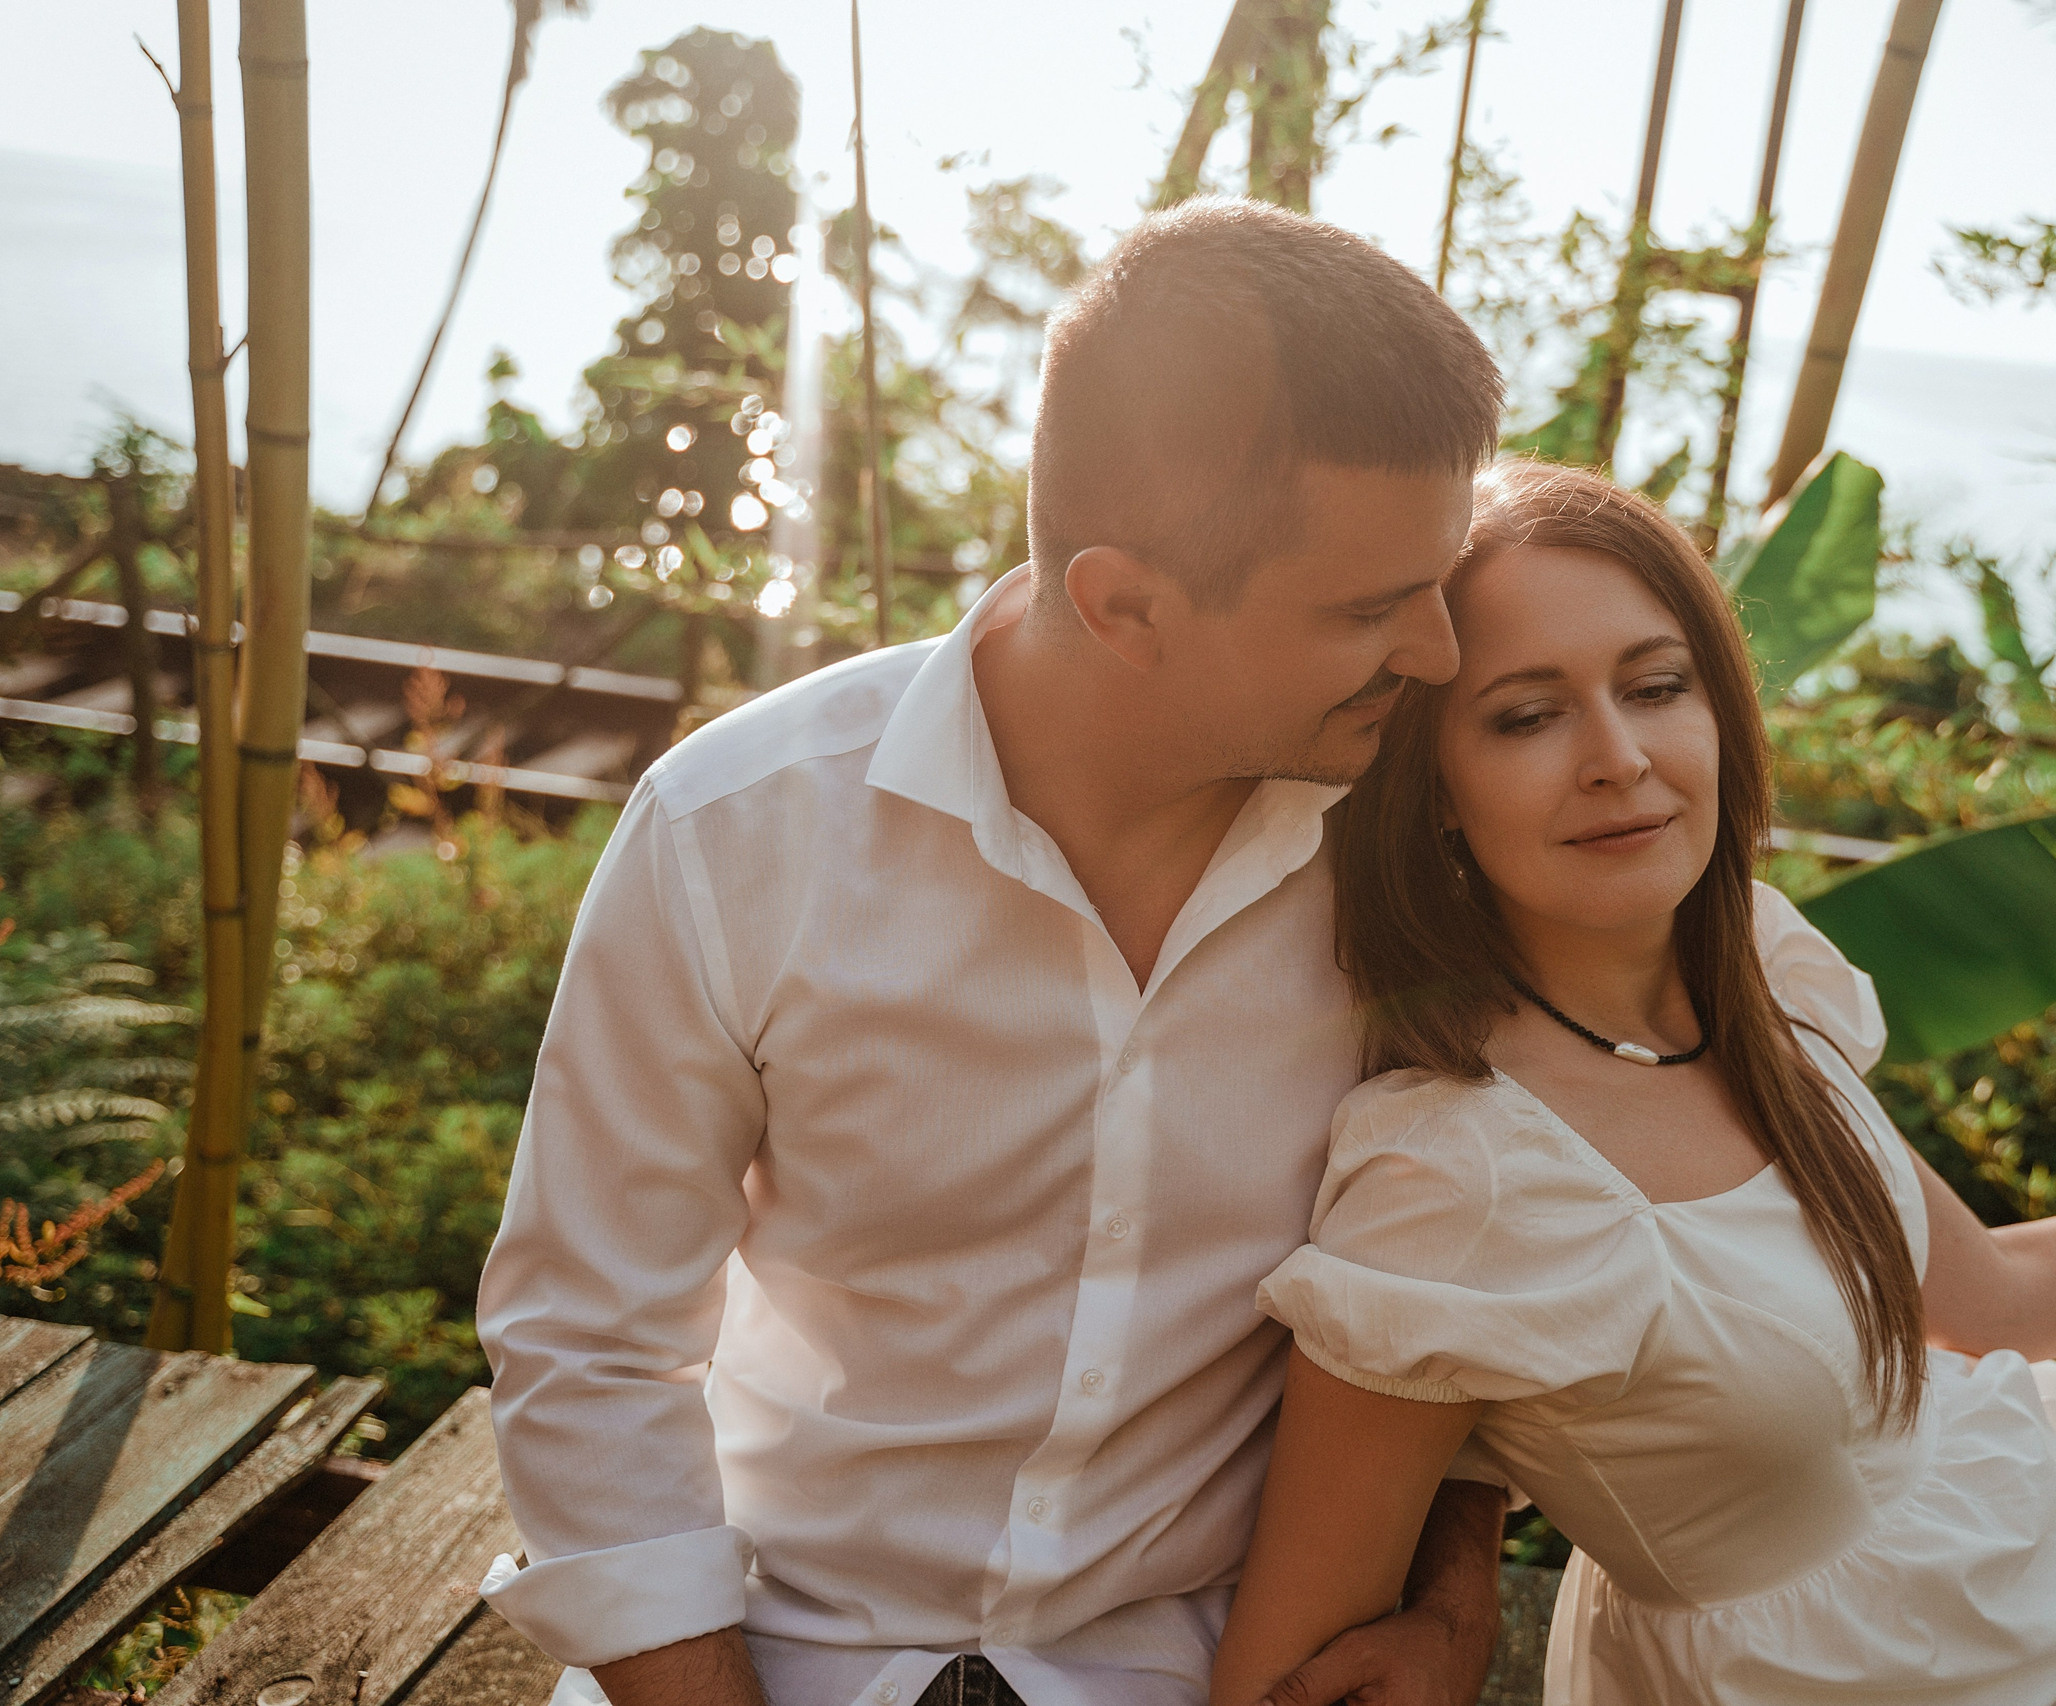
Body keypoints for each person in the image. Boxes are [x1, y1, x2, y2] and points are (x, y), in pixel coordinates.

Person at [1210, 460, 2056, 1706]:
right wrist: (1447, 1611)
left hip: (2016, 1484)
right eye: (1526, 714)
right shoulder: (1459, 1166)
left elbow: (1996, 1300)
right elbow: (1283, 1667)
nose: (1618, 752)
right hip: (1920, 1671)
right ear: (1435, 786)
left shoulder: (1749, 973)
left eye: (1657, 682)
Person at [475, 200, 1517, 1706]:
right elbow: (586, 1339)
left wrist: (1453, 1598)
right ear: (1122, 605)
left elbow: (1488, 1251)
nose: (1437, 649)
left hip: (1205, 1664)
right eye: (1370, 607)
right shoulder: (734, 830)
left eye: (1441, 575)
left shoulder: (1420, 852)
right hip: (768, 1651)